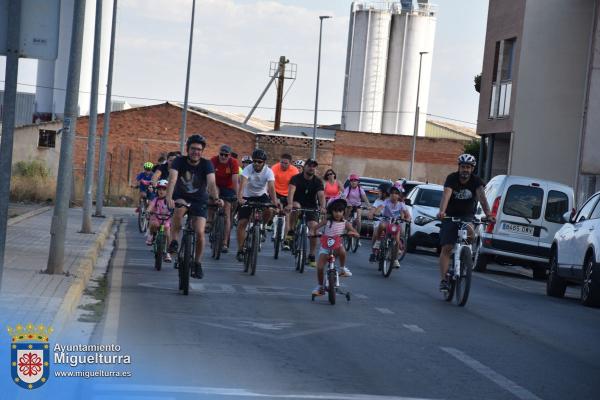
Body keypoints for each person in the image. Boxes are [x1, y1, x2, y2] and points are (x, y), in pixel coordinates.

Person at [166, 134, 224, 279]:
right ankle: (174, 241)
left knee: (199, 232)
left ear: (202, 151)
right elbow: (172, 179)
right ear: (187, 149)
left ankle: (197, 263)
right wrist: (168, 197)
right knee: (178, 211)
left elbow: (211, 183)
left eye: (199, 149)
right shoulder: (179, 161)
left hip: (199, 200)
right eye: (193, 148)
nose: (195, 152)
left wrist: (216, 198)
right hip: (181, 197)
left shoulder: (207, 164)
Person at [437, 153, 494, 291]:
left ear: (472, 168)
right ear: (459, 167)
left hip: (467, 216)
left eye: (468, 167)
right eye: (463, 167)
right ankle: (444, 280)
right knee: (447, 248)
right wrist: (442, 211)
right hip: (450, 216)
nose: (465, 170)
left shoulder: (477, 181)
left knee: (470, 233)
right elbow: (446, 194)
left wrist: (488, 214)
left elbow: (482, 198)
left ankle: (465, 256)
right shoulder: (452, 178)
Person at [236, 149, 279, 262]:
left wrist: (274, 202)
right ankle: (240, 250)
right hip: (247, 196)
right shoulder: (247, 169)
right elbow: (243, 183)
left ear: (264, 163)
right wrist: (240, 198)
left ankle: (263, 226)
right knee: (242, 223)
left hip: (261, 196)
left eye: (259, 162)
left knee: (269, 210)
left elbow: (271, 187)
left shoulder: (268, 171)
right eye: (254, 161)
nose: (256, 164)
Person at [310, 198, 359, 296]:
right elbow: (315, 227)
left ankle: (342, 268)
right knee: (319, 267)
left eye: (340, 211)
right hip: (325, 247)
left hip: (336, 247)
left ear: (343, 212)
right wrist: (313, 232)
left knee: (342, 250)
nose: (337, 214)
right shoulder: (327, 221)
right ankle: (320, 287)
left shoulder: (345, 223)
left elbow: (356, 233)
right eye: (335, 211)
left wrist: (351, 233)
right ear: (331, 211)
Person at [286, 158, 326, 268]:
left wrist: (323, 207)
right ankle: (291, 230)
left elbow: (321, 195)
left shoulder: (317, 181)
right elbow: (291, 192)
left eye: (314, 166)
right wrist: (289, 204)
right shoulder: (295, 178)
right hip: (297, 202)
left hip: (311, 207)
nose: (311, 168)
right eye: (309, 165)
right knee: (296, 207)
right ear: (305, 167)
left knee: (314, 229)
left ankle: (312, 256)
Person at [369, 182, 411, 268]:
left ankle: (395, 259)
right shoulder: (386, 201)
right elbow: (380, 208)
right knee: (381, 226)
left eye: (396, 193)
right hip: (386, 221)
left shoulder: (401, 204)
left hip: (395, 223)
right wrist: (376, 213)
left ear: (399, 195)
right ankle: (377, 242)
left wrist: (408, 219)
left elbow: (408, 215)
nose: (393, 195)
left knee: (396, 240)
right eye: (392, 193)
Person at [209, 144, 239, 253]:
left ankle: (225, 242)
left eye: (226, 155)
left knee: (227, 214)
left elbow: (235, 180)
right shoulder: (213, 160)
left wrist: (236, 195)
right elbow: (210, 178)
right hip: (216, 184)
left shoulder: (233, 162)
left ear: (229, 156)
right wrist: (210, 191)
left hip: (228, 187)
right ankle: (210, 219)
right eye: (221, 154)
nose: (223, 157)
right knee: (212, 198)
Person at [271, 153, 299, 250]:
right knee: (274, 210)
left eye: (286, 163)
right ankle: (271, 227)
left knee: (287, 216)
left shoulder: (295, 171)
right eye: (282, 162)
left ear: (290, 163)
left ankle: (286, 241)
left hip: (288, 195)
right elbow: (270, 183)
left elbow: (295, 186)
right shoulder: (274, 168)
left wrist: (291, 200)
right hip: (276, 192)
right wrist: (274, 197)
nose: (283, 165)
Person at [146, 179, 173, 262]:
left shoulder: (170, 200)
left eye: (164, 189)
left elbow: (174, 208)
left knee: (168, 235)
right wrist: (148, 211)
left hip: (167, 220)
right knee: (153, 224)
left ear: (168, 191)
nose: (161, 191)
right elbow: (151, 206)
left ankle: (168, 253)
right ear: (157, 190)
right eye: (159, 189)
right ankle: (151, 235)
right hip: (157, 218)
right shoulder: (156, 199)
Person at [368, 182, 391, 248]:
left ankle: (396, 250)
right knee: (375, 233)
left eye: (380, 191)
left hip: (389, 222)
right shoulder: (378, 201)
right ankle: (373, 250)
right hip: (378, 221)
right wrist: (371, 214)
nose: (378, 193)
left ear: (385, 193)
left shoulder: (391, 201)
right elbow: (373, 209)